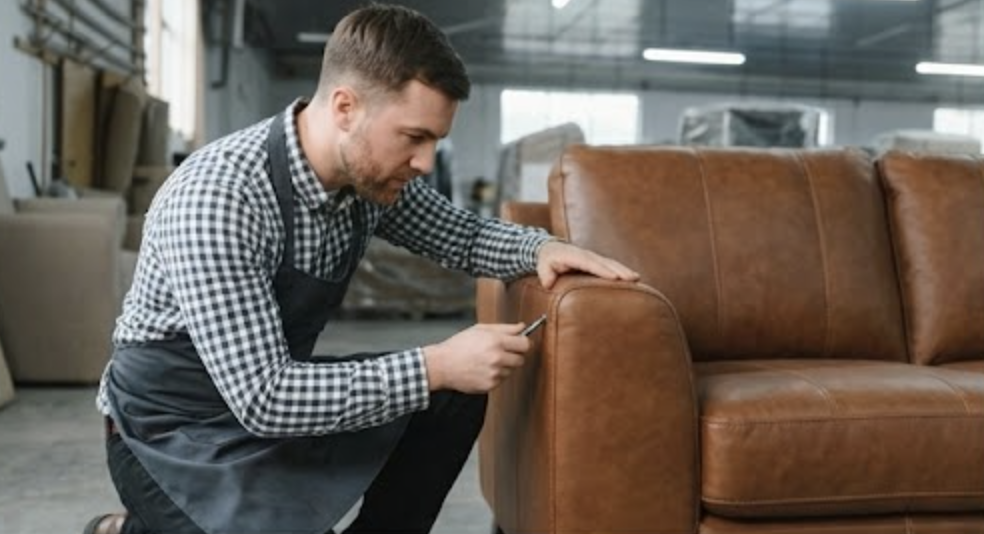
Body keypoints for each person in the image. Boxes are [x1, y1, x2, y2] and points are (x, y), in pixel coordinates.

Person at [85, 4, 639, 534]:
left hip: (265, 404)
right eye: (414, 138)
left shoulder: (368, 181)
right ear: (346, 108)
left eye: (435, 141)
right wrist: (433, 365)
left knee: (452, 395)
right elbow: (264, 397)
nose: (424, 163)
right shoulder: (222, 197)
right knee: (440, 375)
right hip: (172, 434)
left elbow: (462, 235)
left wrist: (540, 249)